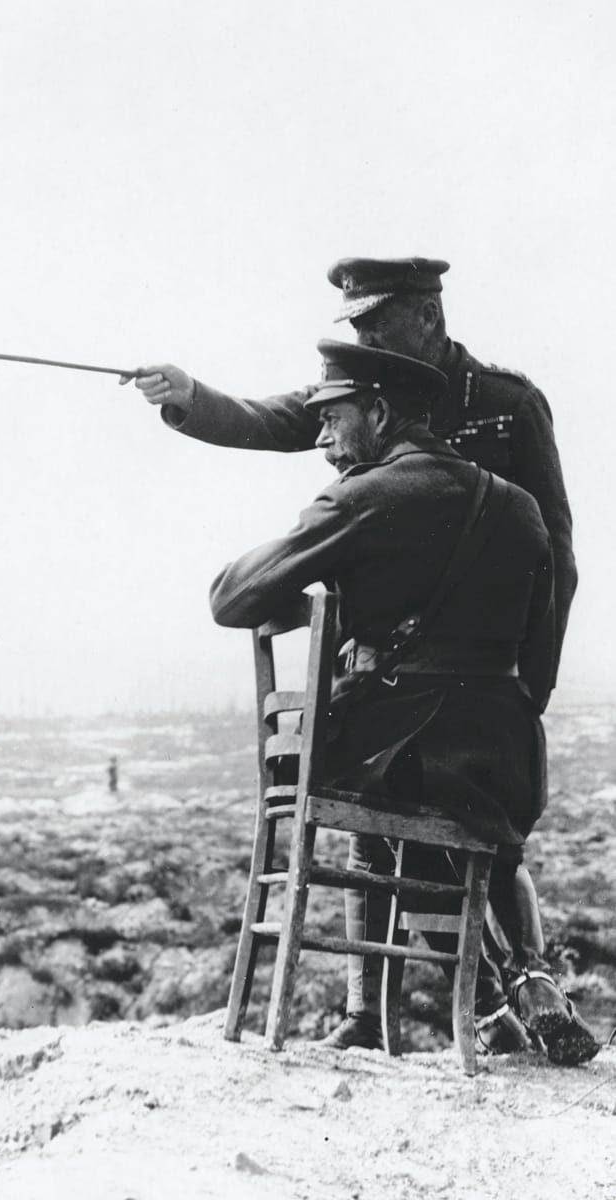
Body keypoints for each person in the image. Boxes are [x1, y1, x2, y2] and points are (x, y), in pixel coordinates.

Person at [133, 257, 576, 1053]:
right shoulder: (374, 403)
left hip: (413, 704)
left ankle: (424, 1012)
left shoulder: (503, 408)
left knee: (395, 814)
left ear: (426, 321)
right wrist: (189, 398)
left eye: (374, 322)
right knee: (461, 833)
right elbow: (277, 417)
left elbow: (561, 560)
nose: (324, 436)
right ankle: (494, 997)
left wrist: (528, 688)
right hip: (482, 722)